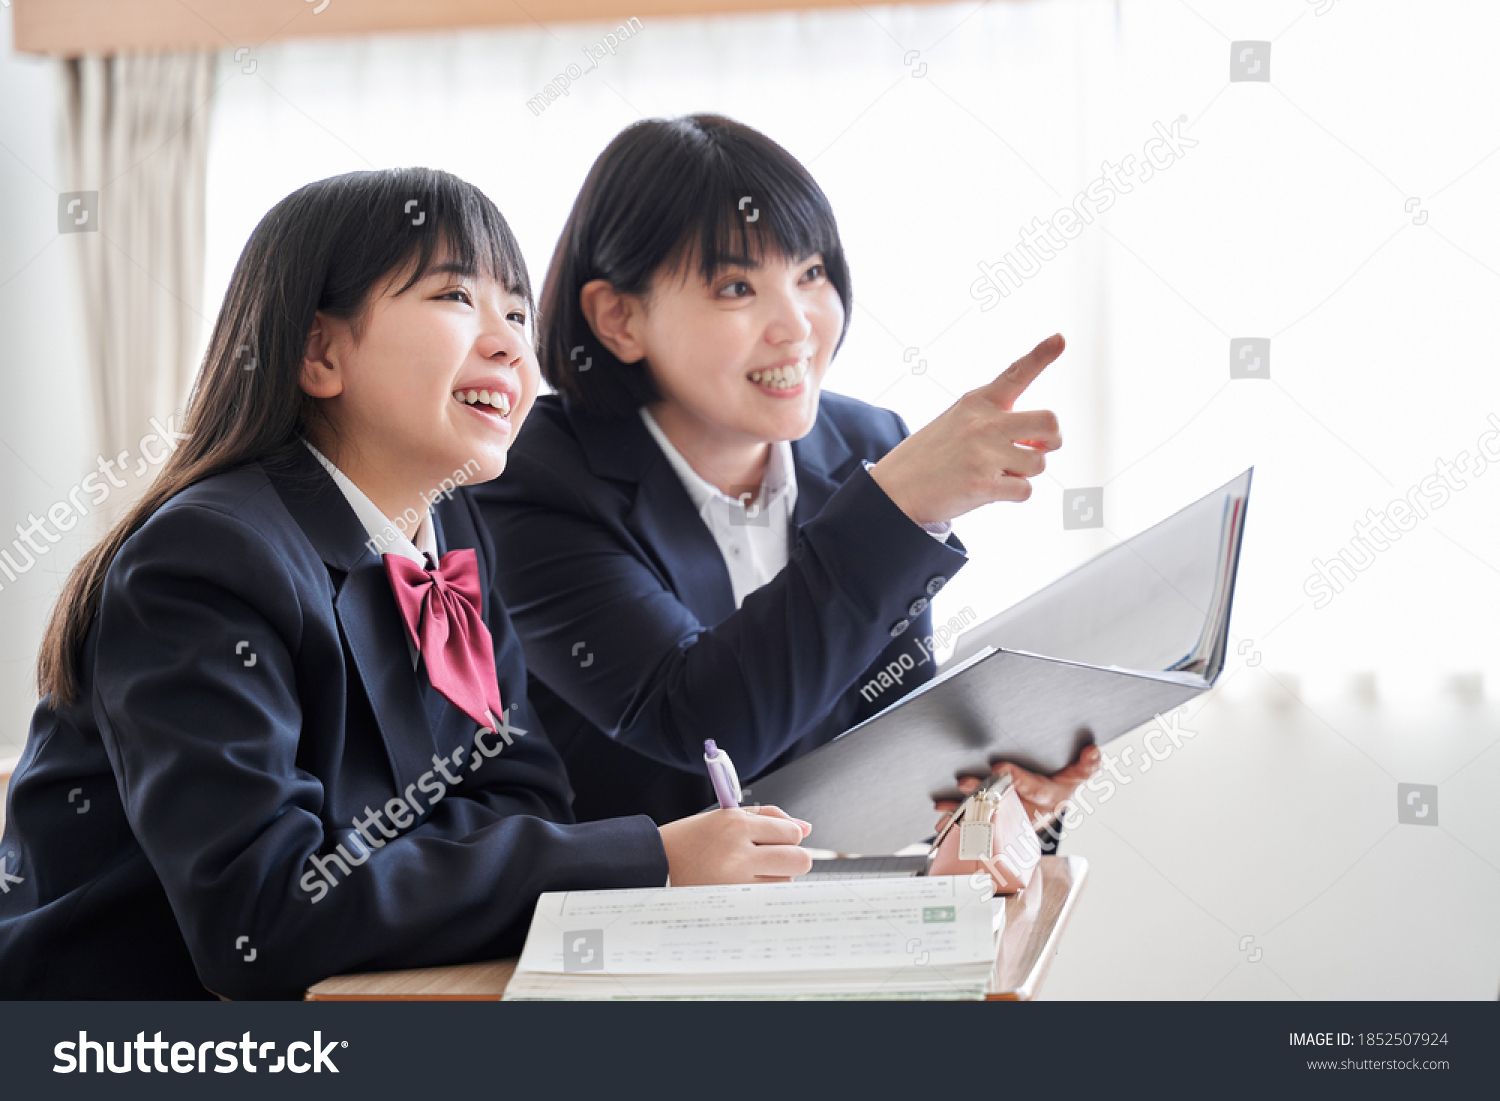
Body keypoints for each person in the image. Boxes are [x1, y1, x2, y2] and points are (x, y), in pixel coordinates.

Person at [0, 167, 811, 1000]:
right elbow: (265, 919)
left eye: (519, 313)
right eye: (456, 297)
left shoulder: (451, 530)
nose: (506, 343)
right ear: (319, 350)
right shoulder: (206, 557)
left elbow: (525, 795)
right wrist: (653, 856)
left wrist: (376, 863)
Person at [473, 115, 1100, 839]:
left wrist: (991, 803)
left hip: (820, 905)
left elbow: (881, 735)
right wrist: (894, 511)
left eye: (810, 273)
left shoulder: (868, 444)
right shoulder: (530, 478)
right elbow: (698, 725)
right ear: (619, 318)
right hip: (624, 926)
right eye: (737, 287)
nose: (797, 325)